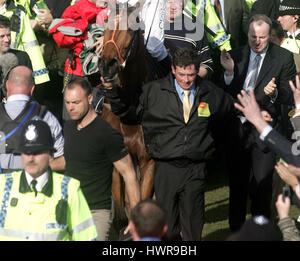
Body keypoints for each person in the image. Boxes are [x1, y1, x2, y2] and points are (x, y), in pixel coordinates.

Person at [134, 48, 238, 241]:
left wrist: (255, 112)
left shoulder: (209, 92)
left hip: (195, 170)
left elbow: (231, 106)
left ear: (197, 71)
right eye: (181, 74)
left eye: (191, 74)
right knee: (166, 228)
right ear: (173, 70)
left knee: (193, 226)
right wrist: (112, 92)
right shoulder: (153, 91)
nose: (186, 79)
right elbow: (130, 112)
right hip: (166, 168)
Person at [220, 14, 296, 231]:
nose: (257, 41)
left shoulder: (283, 58)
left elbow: (290, 96)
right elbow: (224, 95)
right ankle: (236, 232)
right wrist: (228, 73)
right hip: (238, 131)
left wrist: (273, 95)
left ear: (269, 35)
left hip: (264, 132)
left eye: (262, 37)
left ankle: (260, 233)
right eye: (253, 36)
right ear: (248, 34)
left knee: (262, 187)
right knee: (237, 186)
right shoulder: (235, 56)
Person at [63, 77, 141, 240]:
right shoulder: (69, 127)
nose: (70, 107)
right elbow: (70, 159)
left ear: (90, 98)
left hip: (96, 213)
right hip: (69, 210)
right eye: (67, 102)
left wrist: (135, 219)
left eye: (76, 102)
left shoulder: (106, 133)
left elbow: (129, 174)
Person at [0, 118, 98, 241]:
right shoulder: (2, 187)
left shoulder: (69, 189)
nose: (31, 158)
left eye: (37, 152)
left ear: (51, 154)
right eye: (26, 152)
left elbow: (87, 238)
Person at [0, 65, 64, 172]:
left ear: (7, 85)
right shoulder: (45, 116)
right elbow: (60, 158)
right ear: (32, 89)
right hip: (32, 184)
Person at [164, 0, 213, 79]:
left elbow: (207, 66)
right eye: (169, 2)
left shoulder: (194, 29)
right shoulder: (151, 27)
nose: (172, 7)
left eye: (177, 3)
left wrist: (186, 79)